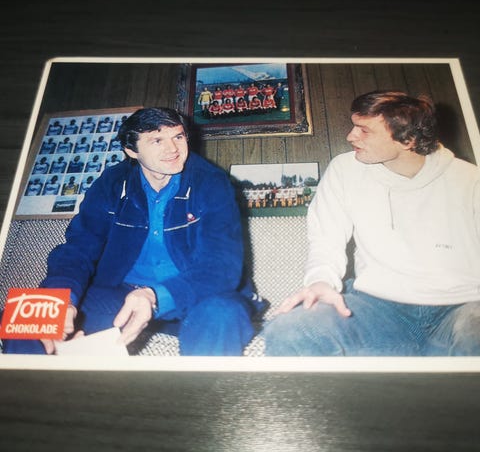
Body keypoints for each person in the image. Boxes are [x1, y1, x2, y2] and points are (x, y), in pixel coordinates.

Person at [3, 107, 264, 356]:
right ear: (131, 150)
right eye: (157, 140)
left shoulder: (212, 182)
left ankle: (198, 390)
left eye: (178, 137)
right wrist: (63, 301)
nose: (173, 148)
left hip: (195, 295)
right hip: (121, 297)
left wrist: (154, 296)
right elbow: (78, 249)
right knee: (28, 316)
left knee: (222, 314)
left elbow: (222, 265)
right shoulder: (111, 183)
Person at [263, 90, 480, 356]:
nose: (350, 136)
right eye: (354, 126)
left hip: (461, 308)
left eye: (364, 130)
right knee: (290, 331)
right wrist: (320, 282)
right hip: (377, 310)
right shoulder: (344, 170)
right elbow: (326, 240)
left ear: (408, 140)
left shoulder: (471, 179)